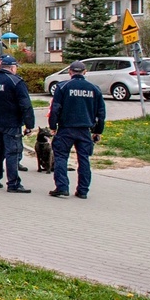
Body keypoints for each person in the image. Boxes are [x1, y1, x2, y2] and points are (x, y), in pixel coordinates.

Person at [47, 61, 105, 199]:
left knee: (61, 157)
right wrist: (98, 131)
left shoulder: (62, 87)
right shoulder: (94, 88)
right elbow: (101, 112)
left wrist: (52, 126)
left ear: (70, 72)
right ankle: (83, 190)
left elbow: (55, 109)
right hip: (85, 130)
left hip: (66, 129)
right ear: (85, 72)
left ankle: (62, 187)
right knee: (84, 159)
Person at [0, 55, 35, 194]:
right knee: (12, 152)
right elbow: (26, 105)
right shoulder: (15, 81)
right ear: (12, 68)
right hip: (11, 123)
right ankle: (13, 183)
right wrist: (29, 124)